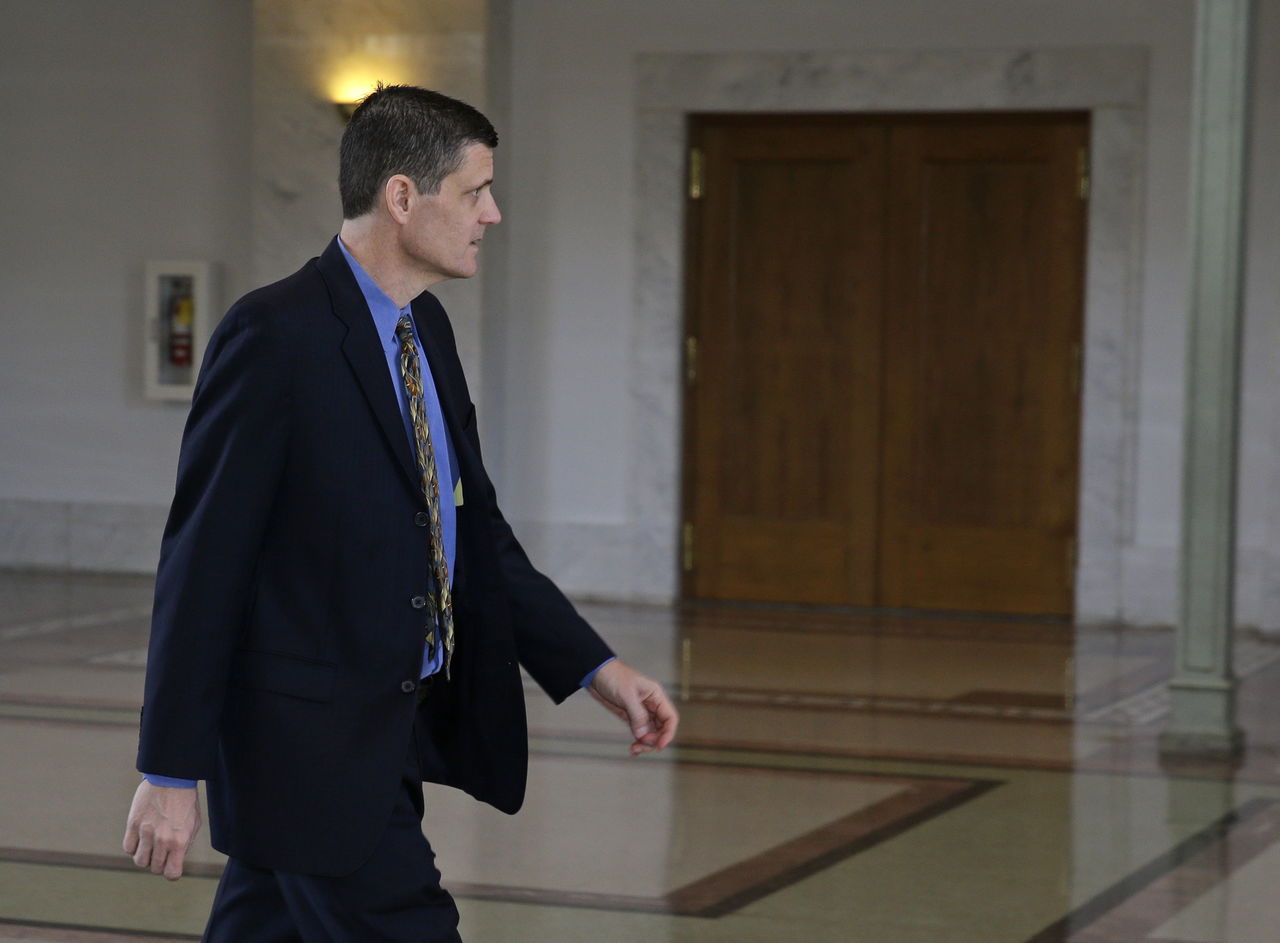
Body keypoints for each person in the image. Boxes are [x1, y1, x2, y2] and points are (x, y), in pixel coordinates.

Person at [122, 84, 678, 943]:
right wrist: (168, 768)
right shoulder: (273, 336)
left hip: (384, 739)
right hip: (306, 751)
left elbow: (474, 534)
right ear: (403, 196)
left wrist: (596, 668)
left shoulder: (428, 336)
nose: (492, 214)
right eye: (476, 191)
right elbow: (204, 561)